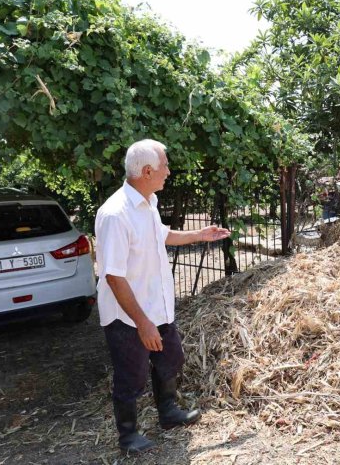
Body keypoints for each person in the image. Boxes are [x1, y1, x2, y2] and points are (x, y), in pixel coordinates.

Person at [95, 139, 230, 454]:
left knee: (170, 360)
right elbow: (112, 275)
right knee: (132, 376)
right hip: (127, 316)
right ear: (146, 171)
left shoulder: (149, 201)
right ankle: (128, 437)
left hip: (158, 307)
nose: (168, 171)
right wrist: (142, 322)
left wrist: (199, 235)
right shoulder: (116, 214)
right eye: (165, 165)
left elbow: (162, 234)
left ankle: (168, 413)